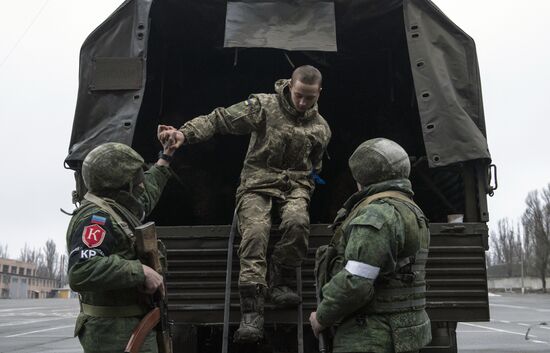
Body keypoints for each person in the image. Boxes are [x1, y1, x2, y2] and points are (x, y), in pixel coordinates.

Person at [160, 65, 331, 342]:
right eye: (299, 95)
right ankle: (252, 313)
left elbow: (316, 165)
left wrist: (306, 185)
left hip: (295, 187)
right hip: (257, 185)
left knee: (298, 223)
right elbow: (221, 119)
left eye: (309, 98)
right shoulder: (264, 106)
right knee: (254, 234)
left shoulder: (321, 128)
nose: (302, 102)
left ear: (318, 93)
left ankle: (280, 279)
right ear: (290, 86)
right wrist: (184, 134)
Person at [309, 138, 432, 353]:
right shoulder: (412, 209)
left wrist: (322, 316)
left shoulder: (376, 214)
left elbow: (356, 282)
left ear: (362, 175)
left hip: (370, 335)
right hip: (401, 333)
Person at [66, 129, 178, 353]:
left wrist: (166, 156)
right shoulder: (96, 219)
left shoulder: (118, 208)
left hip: (130, 327)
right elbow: (82, 269)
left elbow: (146, 195)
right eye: (135, 179)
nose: (142, 184)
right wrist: (141, 271)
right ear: (119, 183)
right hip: (114, 335)